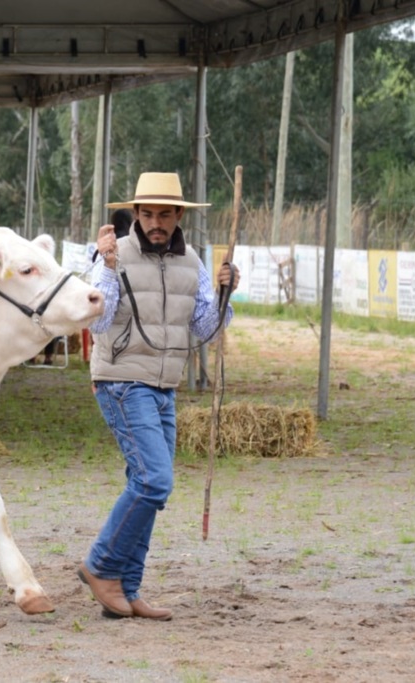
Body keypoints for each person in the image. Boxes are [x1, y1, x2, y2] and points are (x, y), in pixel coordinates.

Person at [78, 172, 240, 622]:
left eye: (164, 214)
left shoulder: (192, 262)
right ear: (135, 214)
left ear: (178, 216)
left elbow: (204, 330)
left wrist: (227, 293)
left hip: (164, 386)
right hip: (122, 380)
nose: (155, 222)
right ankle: (101, 566)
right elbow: (97, 321)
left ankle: (127, 591)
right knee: (154, 482)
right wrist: (108, 267)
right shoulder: (112, 253)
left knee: (151, 488)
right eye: (146, 213)